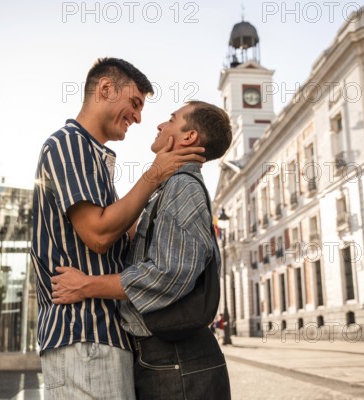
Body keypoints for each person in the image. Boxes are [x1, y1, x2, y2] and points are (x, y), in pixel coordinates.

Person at [30, 58, 206, 400]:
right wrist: (155, 174)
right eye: (135, 103)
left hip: (99, 339)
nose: (139, 117)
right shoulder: (68, 143)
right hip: (83, 336)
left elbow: (124, 238)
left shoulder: (94, 156)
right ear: (106, 89)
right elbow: (98, 236)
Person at [51, 100, 233, 399]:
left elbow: (167, 273)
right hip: (168, 359)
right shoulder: (170, 186)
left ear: (188, 137)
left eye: (172, 119)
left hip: (177, 361)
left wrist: (85, 286)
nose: (160, 125)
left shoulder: (182, 187)